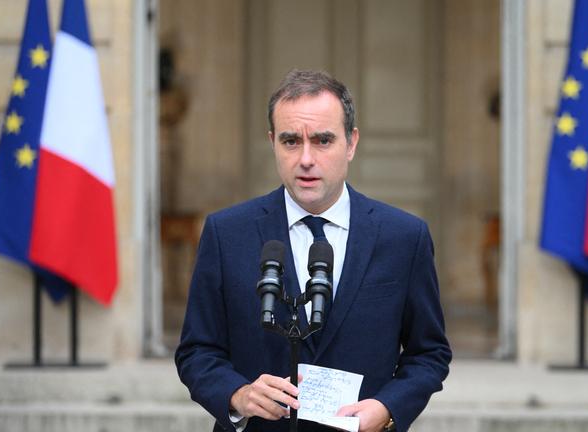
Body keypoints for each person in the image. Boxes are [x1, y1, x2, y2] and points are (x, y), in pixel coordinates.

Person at [175, 69, 451, 432]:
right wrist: (237, 395)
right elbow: (196, 351)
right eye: (291, 141)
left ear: (351, 143)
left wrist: (387, 408)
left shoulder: (403, 237)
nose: (306, 158)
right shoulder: (226, 233)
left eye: (323, 140)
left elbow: (429, 353)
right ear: (272, 141)